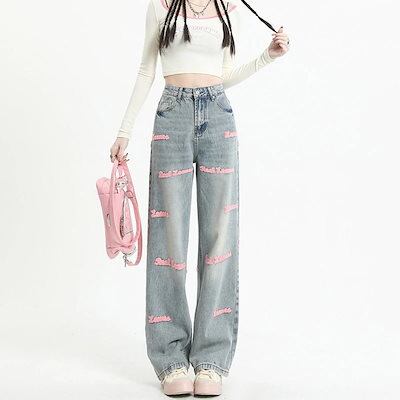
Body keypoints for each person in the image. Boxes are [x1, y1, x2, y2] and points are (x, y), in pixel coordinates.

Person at [109, 0, 290, 396]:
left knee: (219, 239)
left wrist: (267, 57)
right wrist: (124, 130)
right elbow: (146, 69)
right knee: (169, 239)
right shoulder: (160, 7)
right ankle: (171, 357)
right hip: (171, 116)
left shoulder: (229, 10)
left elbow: (223, 75)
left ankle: (211, 359)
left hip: (218, 117)